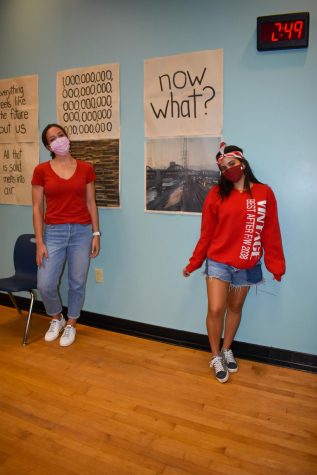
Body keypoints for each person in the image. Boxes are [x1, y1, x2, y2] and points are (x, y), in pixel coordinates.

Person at [183, 142, 285, 383]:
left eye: (232, 164)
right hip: (219, 261)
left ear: (242, 163)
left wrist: (276, 265)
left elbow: (271, 232)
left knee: (235, 308)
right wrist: (194, 262)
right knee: (216, 308)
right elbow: (206, 233)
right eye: (223, 167)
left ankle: (227, 348)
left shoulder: (264, 193)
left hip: (247, 264)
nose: (228, 169)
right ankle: (215, 355)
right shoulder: (216, 194)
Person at [32, 123, 100, 347]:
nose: (58, 140)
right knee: (45, 284)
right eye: (52, 139)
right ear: (48, 146)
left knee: (77, 282)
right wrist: (39, 241)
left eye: (60, 135)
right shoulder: (41, 171)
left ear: (67, 137)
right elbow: (37, 207)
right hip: (54, 233)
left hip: (81, 231)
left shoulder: (85, 168)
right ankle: (56, 318)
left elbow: (91, 202)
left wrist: (96, 233)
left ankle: (71, 323)